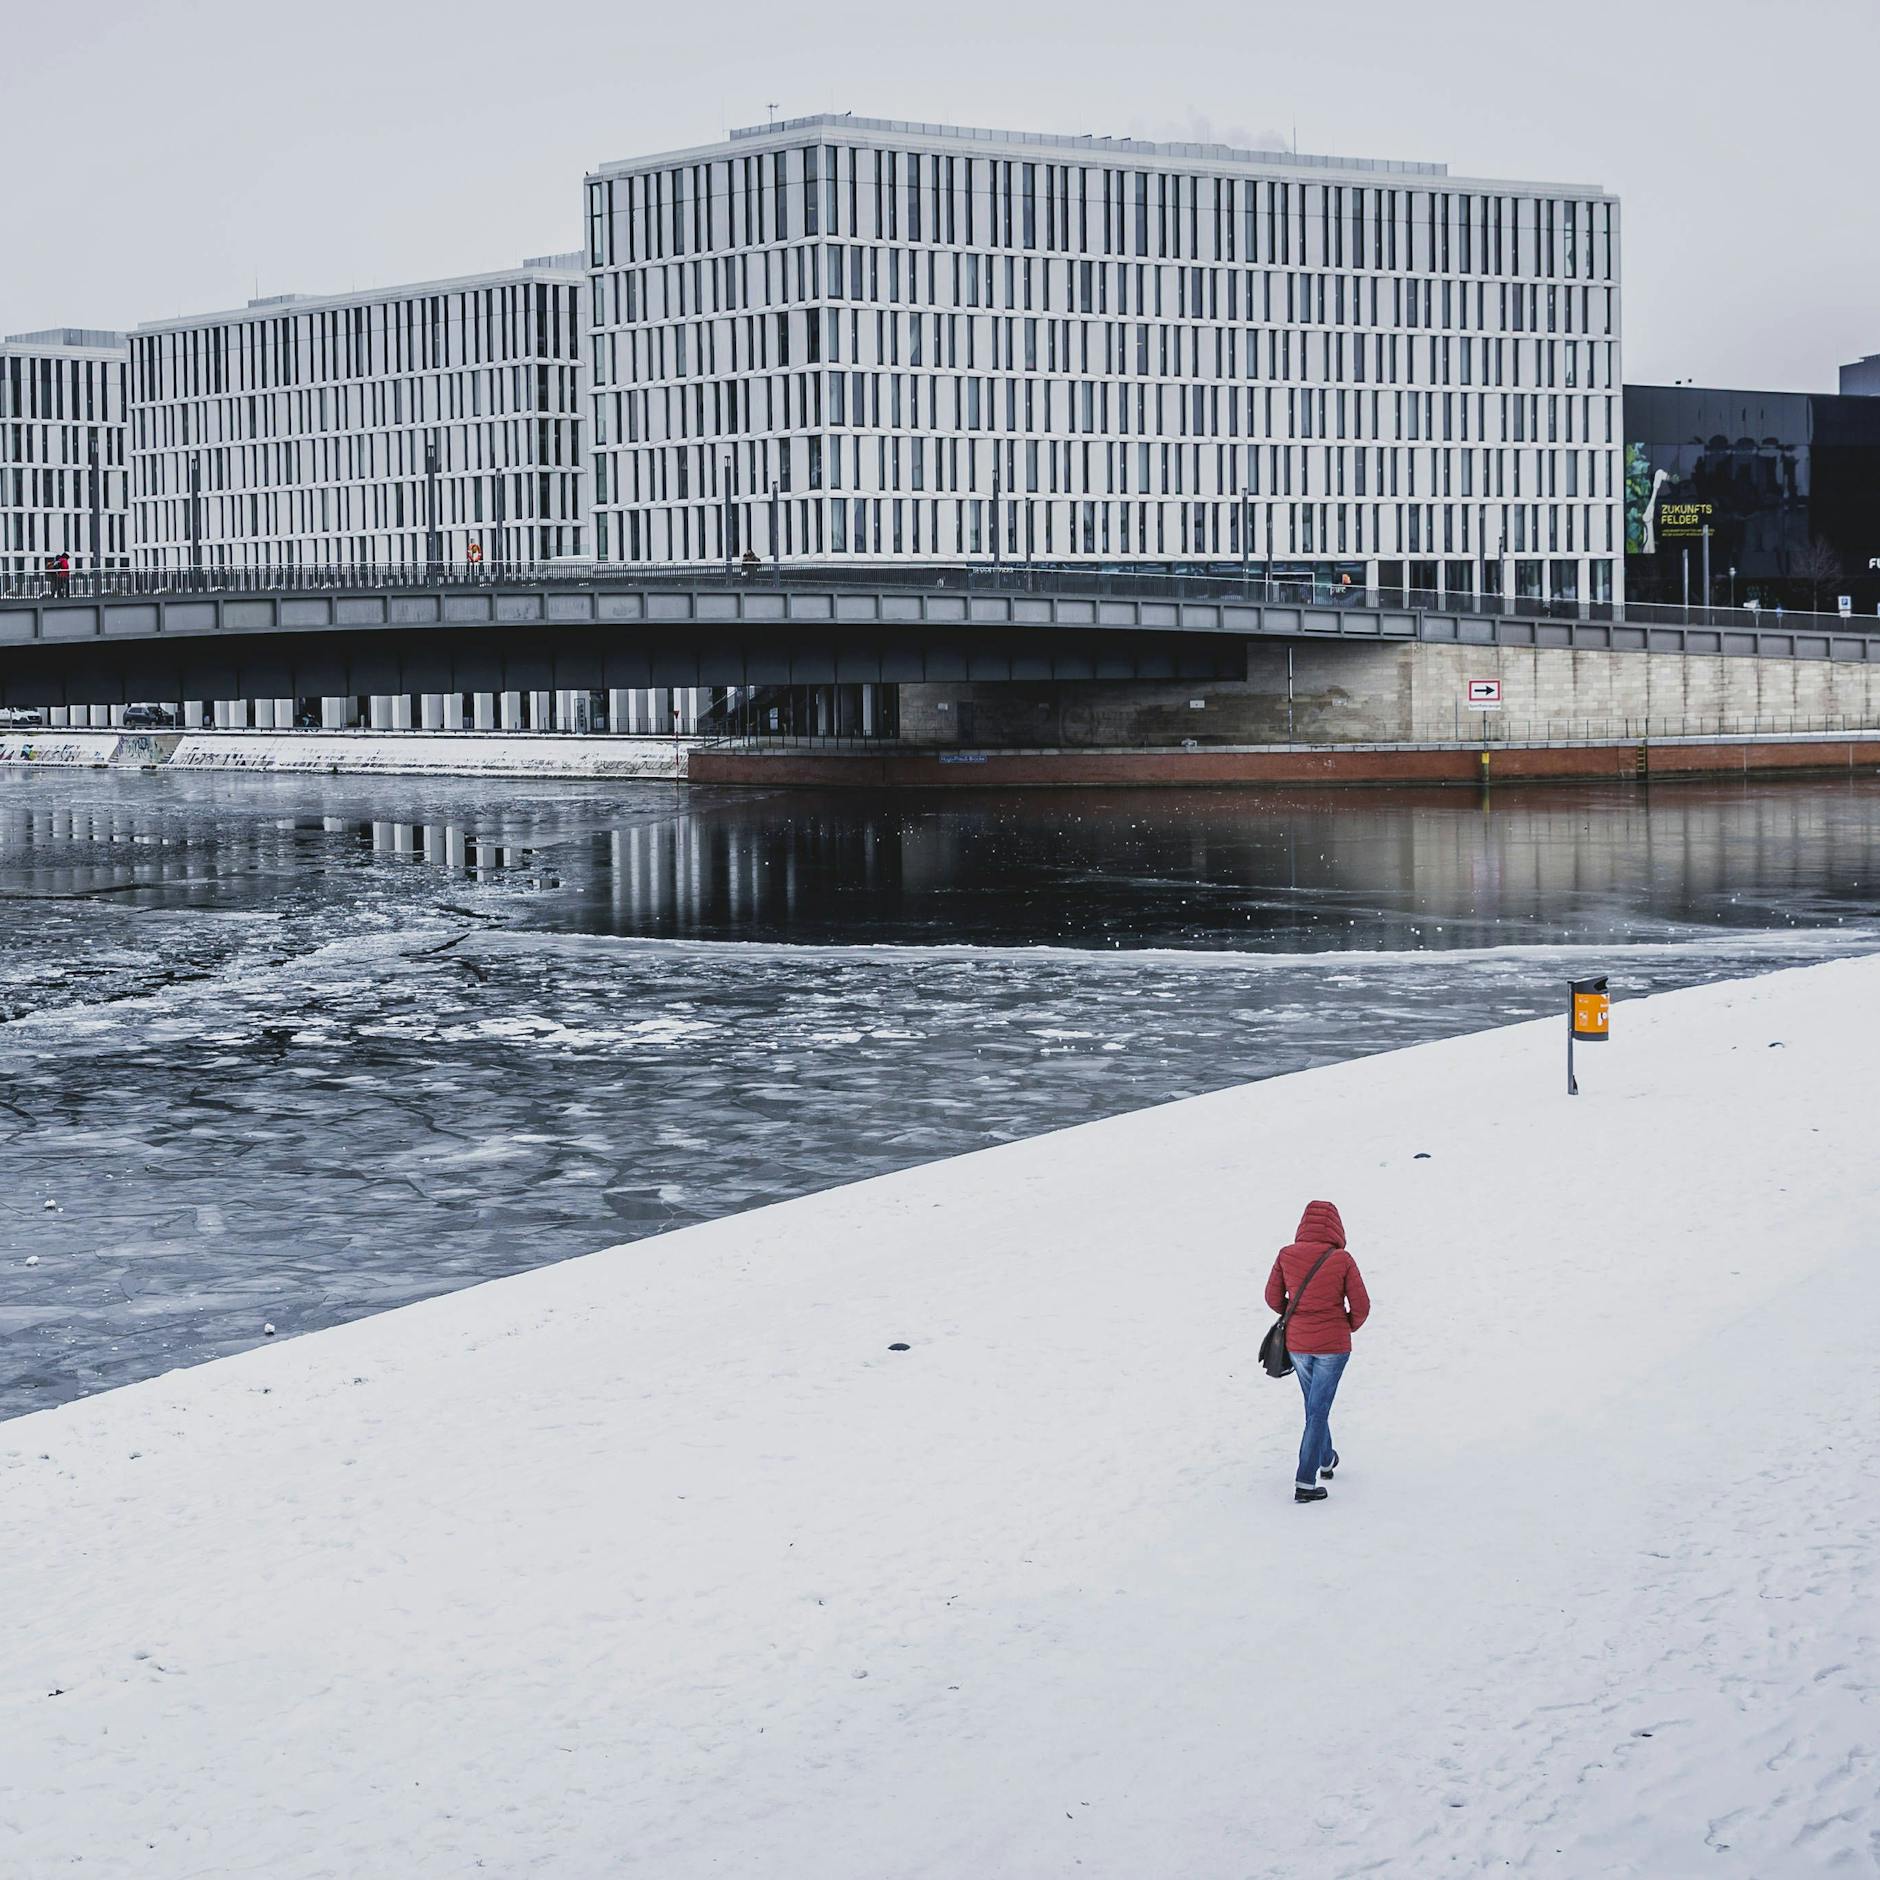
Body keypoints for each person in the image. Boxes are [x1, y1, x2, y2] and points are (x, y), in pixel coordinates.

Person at [1265, 1199, 1370, 1503]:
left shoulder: (1286, 1255)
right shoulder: (1342, 1259)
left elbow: (1272, 1297)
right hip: (1333, 1347)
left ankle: (1326, 1458)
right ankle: (1305, 1482)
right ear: (1336, 1227)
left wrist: (1296, 1316)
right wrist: (1345, 1326)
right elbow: (1362, 1306)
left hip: (1298, 1344)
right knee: (1318, 1409)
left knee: (1314, 1406)